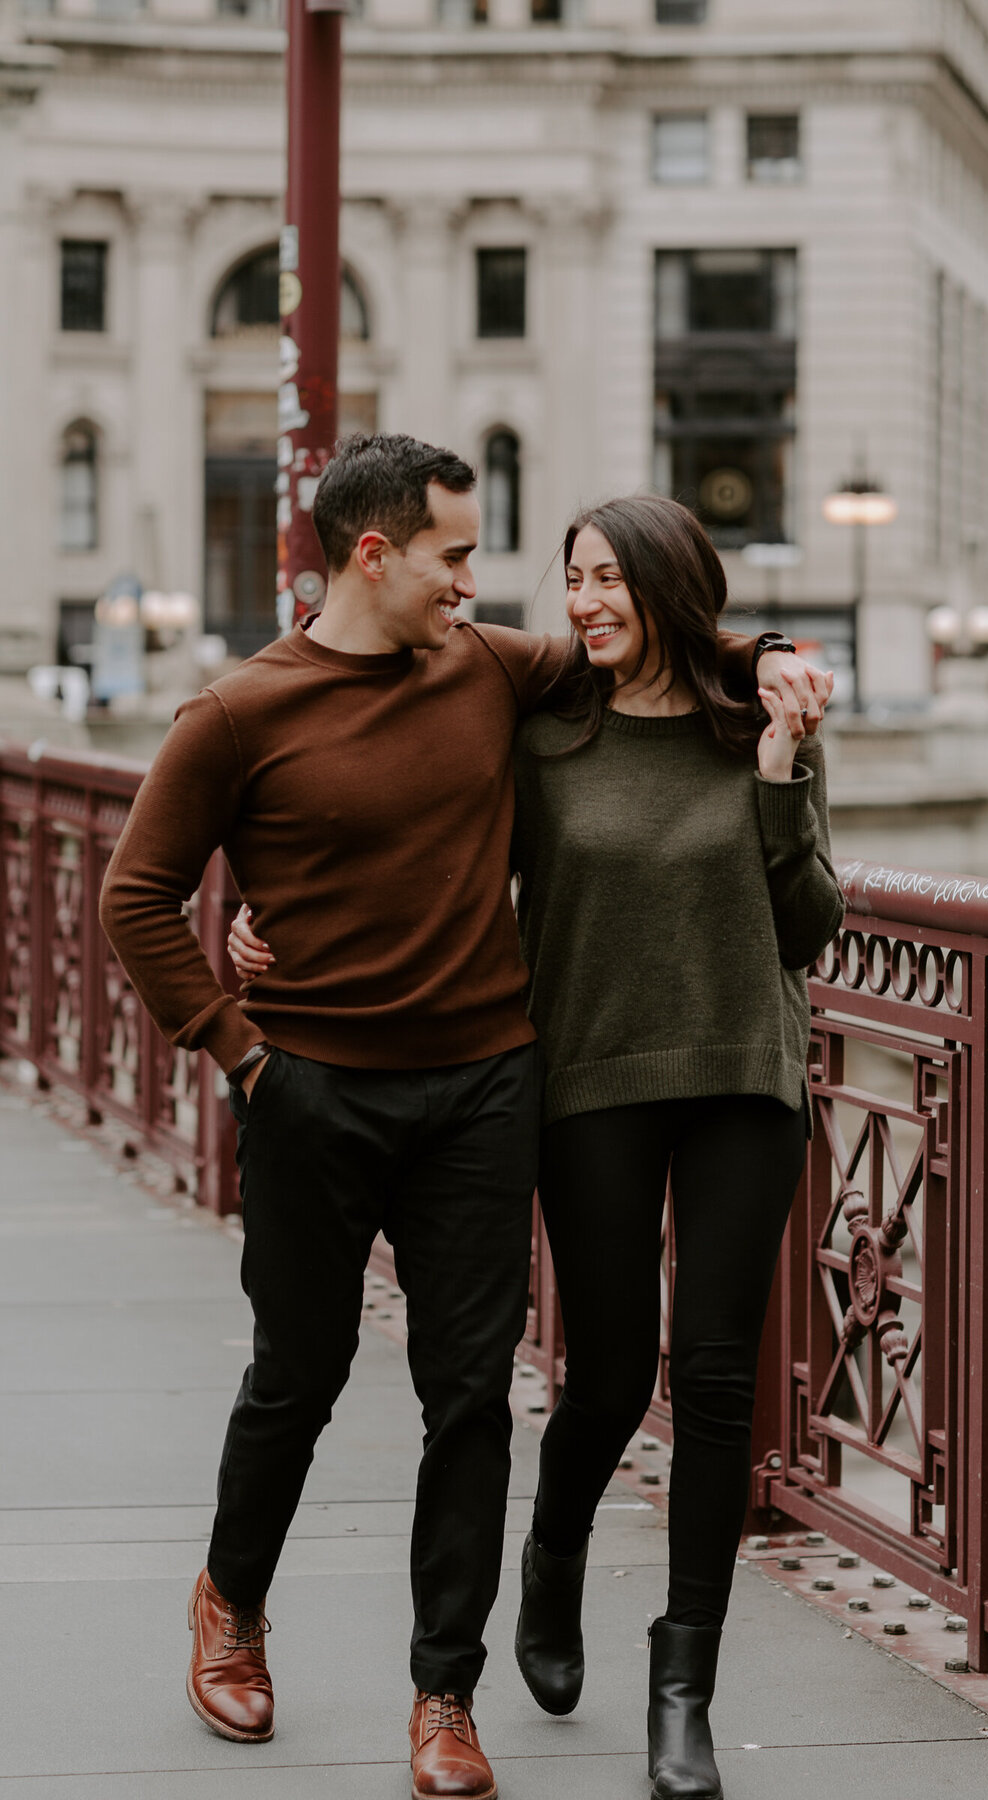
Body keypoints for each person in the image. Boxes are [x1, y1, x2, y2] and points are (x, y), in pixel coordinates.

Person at [99, 432, 831, 1800]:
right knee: (296, 1376)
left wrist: (777, 647)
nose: (478, 584)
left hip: (490, 1085)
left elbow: (666, 642)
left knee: (472, 1398)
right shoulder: (236, 713)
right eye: (456, 556)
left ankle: (446, 1692)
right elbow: (136, 898)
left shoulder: (493, 669)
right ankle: (231, 1604)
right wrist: (239, 1050)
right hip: (311, 1090)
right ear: (373, 555)